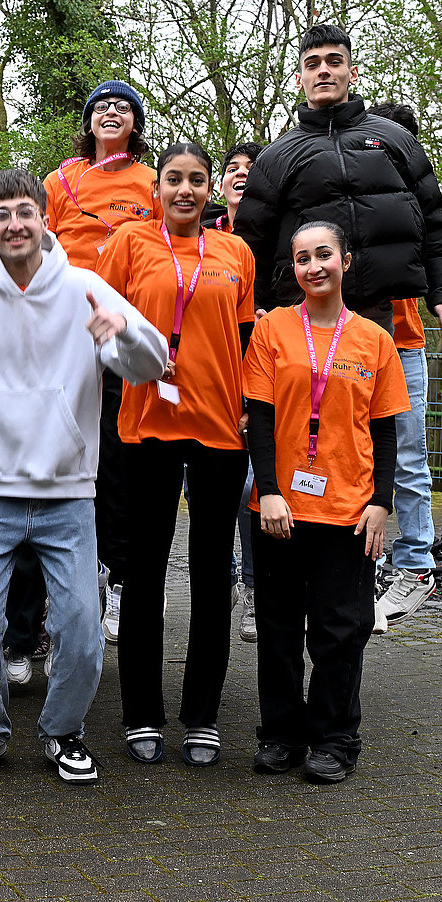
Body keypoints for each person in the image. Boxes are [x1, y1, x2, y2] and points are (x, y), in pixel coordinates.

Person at [0, 169, 167, 784]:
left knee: (80, 625)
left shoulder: (83, 287)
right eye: (1, 215)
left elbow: (151, 363)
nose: (14, 224)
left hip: (66, 491)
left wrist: (124, 333)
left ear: (44, 219)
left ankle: (63, 732)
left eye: (25, 212)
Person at [97, 142, 255, 768]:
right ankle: (141, 713)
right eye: (173, 179)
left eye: (196, 180)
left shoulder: (235, 251)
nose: (185, 190)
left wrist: (251, 406)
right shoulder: (129, 243)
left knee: (213, 575)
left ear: (210, 188)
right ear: (156, 188)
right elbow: (99, 324)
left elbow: (245, 337)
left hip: (219, 428)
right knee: (145, 572)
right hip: (147, 425)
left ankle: (202, 715)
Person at [244, 221, 408, 783]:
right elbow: (259, 420)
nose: (313, 267)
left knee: (340, 630)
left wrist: (381, 501)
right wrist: (268, 490)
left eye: (324, 255)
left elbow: (385, 431)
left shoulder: (375, 340)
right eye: (302, 258)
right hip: (279, 510)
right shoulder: (272, 331)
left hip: (349, 512)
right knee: (279, 629)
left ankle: (335, 739)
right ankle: (280, 734)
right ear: (292, 268)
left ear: (346, 261)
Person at [42, 79, 159, 644]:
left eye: (123, 107)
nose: (112, 113)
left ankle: (115, 577)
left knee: (117, 455)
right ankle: (64, 581)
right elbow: (40, 249)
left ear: (135, 124)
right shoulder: (59, 180)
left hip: (122, 326)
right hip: (64, 329)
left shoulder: (153, 181)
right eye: (102, 107)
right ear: (88, 122)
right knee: (62, 449)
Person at [234, 23, 442, 336]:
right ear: (299, 79)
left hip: (376, 316)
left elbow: (434, 220)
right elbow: (252, 243)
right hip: (301, 317)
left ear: (352, 72)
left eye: (334, 61)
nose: (323, 71)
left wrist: (439, 291)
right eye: (312, 64)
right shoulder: (274, 158)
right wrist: (253, 302)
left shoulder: (397, 140)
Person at [364, 103, 438, 628]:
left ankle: (415, 565)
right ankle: (365, 569)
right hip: (356, 345)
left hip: (405, 343)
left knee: (410, 458)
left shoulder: (418, 205)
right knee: (359, 457)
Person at [205, 141, 265, 643]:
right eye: (232, 168)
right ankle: (222, 580)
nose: (241, 174)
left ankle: (252, 587)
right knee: (205, 490)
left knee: (250, 489)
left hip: (261, 368)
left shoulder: (275, 231)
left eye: (252, 168)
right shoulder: (203, 231)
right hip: (208, 380)